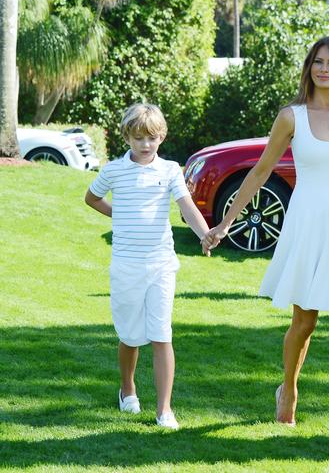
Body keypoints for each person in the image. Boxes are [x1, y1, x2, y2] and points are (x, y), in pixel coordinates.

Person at [205, 37, 329, 454]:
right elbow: (259, 172)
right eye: (317, 62)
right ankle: (288, 387)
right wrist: (224, 223)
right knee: (304, 322)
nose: (324, 69)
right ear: (309, 67)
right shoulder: (291, 117)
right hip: (308, 222)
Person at [85, 103, 212, 430]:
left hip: (161, 265)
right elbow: (92, 198)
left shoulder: (170, 170)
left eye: (152, 138)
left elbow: (187, 206)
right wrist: (119, 215)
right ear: (128, 136)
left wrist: (205, 234)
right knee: (130, 336)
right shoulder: (113, 170)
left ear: (161, 137)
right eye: (139, 137)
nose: (145, 144)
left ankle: (164, 410)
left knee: (160, 334)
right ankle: (127, 389)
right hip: (126, 266)